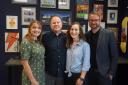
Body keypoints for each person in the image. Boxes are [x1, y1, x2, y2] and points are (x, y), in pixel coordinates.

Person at [85, 12, 118, 85]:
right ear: (88, 21)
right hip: (89, 73)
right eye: (91, 20)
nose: (93, 22)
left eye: (96, 20)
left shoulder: (109, 34)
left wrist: (111, 73)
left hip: (104, 74)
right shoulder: (86, 35)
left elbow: (114, 56)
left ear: (100, 21)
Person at [42, 15, 67, 85]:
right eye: (54, 22)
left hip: (62, 74)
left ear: (61, 24)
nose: (56, 24)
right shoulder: (44, 37)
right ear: (50, 25)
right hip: (48, 74)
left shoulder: (67, 37)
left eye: (58, 22)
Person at [20, 20, 45, 85]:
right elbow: (25, 63)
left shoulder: (39, 42)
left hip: (40, 75)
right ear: (30, 29)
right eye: (34, 27)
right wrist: (32, 80)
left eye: (39, 28)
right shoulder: (26, 42)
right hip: (31, 77)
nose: (36, 30)